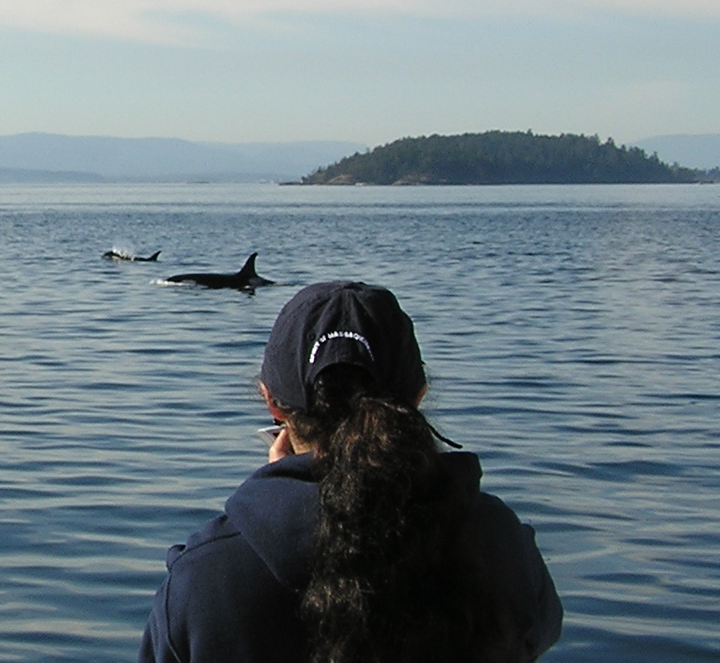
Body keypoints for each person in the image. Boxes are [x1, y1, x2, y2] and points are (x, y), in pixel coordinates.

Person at [140, 281, 562, 663]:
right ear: (418, 396)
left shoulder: (206, 577)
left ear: (272, 403)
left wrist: (281, 501)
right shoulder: (503, 544)